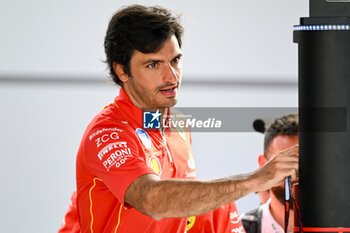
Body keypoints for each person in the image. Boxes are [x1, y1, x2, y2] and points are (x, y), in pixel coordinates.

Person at [73, 5, 299, 233]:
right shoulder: (107, 133)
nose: (171, 76)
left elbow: (182, 210)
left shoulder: (177, 123)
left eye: (175, 60)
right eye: (153, 65)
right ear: (122, 71)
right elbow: (153, 200)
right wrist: (257, 179)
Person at [240, 113, 299, 233]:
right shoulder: (238, 228)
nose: (295, 172)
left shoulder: (341, 224)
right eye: (286, 163)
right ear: (263, 164)